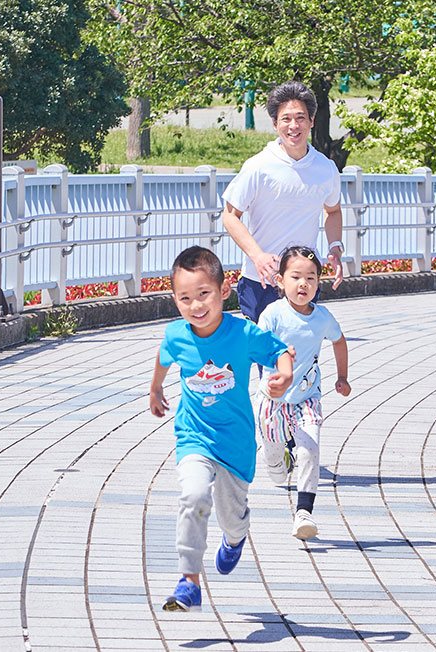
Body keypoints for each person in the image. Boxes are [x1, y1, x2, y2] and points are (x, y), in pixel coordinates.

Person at [148, 246, 294, 612]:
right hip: (194, 437)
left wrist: (285, 374)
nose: (196, 306)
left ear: (223, 291)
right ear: (174, 300)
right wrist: (154, 389)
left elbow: (280, 352)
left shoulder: (242, 333)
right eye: (185, 298)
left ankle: (235, 538)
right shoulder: (176, 335)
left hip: (235, 445)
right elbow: (164, 359)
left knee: (231, 516)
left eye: (203, 295)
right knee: (194, 496)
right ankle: (189, 581)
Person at [222, 80, 346, 325]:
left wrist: (335, 247)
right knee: (261, 355)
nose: (293, 126)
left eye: (300, 118)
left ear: (311, 120)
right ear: (275, 123)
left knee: (298, 354)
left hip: (302, 280)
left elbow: (333, 211)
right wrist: (257, 256)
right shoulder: (259, 166)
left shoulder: (326, 168)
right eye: (286, 119)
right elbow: (229, 215)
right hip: (261, 280)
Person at [256, 246, 351, 541]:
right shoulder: (273, 314)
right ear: (280, 281)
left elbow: (339, 341)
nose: (303, 284)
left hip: (307, 398)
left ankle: (304, 513)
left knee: (310, 449)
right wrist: (276, 365)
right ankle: (280, 460)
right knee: (273, 464)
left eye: (311, 278)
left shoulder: (322, 317)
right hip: (272, 399)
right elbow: (257, 348)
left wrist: (343, 377)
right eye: (295, 276)